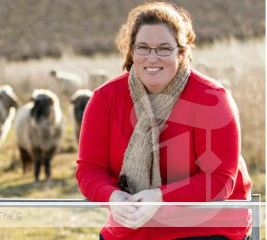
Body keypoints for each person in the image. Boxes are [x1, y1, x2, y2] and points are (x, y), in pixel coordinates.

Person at [75, 2, 252, 240]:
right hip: (133, 224)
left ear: (182, 52)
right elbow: (89, 170)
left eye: (164, 49)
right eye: (143, 48)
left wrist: (160, 198)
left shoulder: (212, 99)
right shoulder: (105, 99)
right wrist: (113, 198)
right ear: (131, 52)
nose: (152, 58)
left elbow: (219, 180)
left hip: (208, 225)